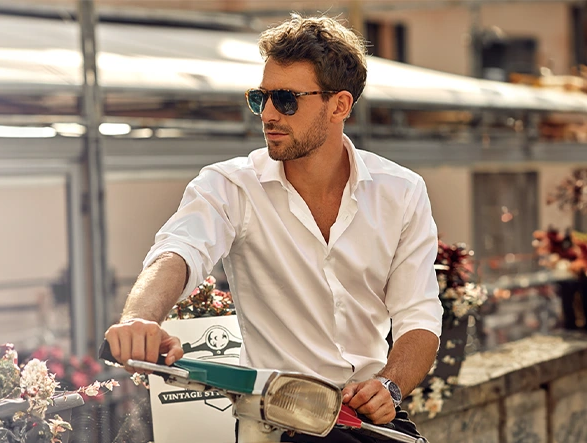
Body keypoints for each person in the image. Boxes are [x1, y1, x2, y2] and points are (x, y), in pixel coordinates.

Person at [104, 13, 442, 443]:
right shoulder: (229, 185)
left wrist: (390, 386)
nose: (266, 114)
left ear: (339, 105)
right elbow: (179, 250)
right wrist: (139, 320)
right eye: (259, 98)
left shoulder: (402, 191)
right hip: (279, 421)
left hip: (367, 421)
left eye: (285, 99)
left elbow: (419, 315)